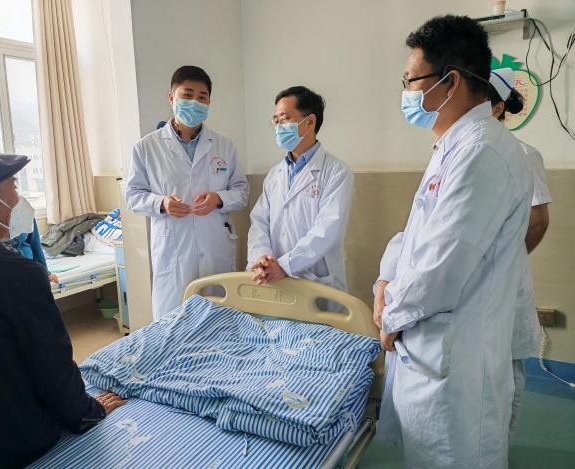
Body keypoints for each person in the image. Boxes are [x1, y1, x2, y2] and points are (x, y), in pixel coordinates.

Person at [373, 16, 533, 468]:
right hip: (430, 350)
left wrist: (390, 316)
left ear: (451, 81)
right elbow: (415, 233)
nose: (406, 92)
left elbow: (442, 268)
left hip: (456, 363)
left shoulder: (483, 152)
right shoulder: (454, 146)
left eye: (411, 81)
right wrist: (384, 281)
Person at [0, 152, 126, 468]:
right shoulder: (15, 274)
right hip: (5, 443)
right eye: (15, 187)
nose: (21, 201)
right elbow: (51, 366)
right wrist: (88, 412)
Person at [126, 65, 249, 320]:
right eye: (187, 95)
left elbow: (242, 191)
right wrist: (161, 203)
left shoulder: (224, 146)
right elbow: (133, 196)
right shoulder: (146, 147)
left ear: (209, 102)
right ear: (171, 97)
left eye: (202, 97)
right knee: (174, 323)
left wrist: (219, 199)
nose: (195, 102)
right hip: (174, 250)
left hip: (215, 246)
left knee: (219, 322)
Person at [489, 67, 552, 434]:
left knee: (508, 364)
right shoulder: (451, 151)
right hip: (471, 281)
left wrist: (506, 260)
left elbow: (538, 221)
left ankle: (500, 445)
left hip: (505, 279)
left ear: (498, 108)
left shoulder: (524, 154)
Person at [247, 86, 353, 294]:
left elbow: (327, 230)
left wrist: (285, 265)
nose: (279, 126)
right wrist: (262, 258)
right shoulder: (275, 174)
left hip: (316, 282)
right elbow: (259, 221)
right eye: (276, 121)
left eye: (285, 119)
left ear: (310, 122)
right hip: (274, 278)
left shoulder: (336, 172)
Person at [4, 218, 60, 283]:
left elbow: (35, 245)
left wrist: (45, 272)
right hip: (9, 269)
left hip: (29, 267)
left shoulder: (27, 214)